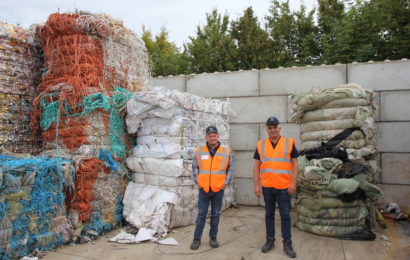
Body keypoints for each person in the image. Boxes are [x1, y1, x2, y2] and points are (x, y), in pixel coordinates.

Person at [253, 116, 299, 258]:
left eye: (275, 127)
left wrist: (293, 183)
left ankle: (287, 242)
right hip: (267, 186)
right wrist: (256, 184)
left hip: (284, 187)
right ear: (267, 129)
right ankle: (270, 240)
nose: (272, 130)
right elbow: (256, 166)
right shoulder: (261, 145)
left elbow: (295, 164)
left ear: (279, 128)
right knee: (269, 214)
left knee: (285, 215)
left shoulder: (289, 143)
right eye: (270, 128)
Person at [190, 126, 233, 250]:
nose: (212, 137)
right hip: (204, 189)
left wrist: (225, 183)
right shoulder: (200, 150)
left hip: (218, 189)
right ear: (206, 137)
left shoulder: (226, 151)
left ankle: (213, 237)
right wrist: (198, 181)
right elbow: (194, 167)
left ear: (218, 136)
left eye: (214, 135)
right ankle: (196, 239)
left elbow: (230, 168)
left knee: (215, 214)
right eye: (210, 136)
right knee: (201, 214)